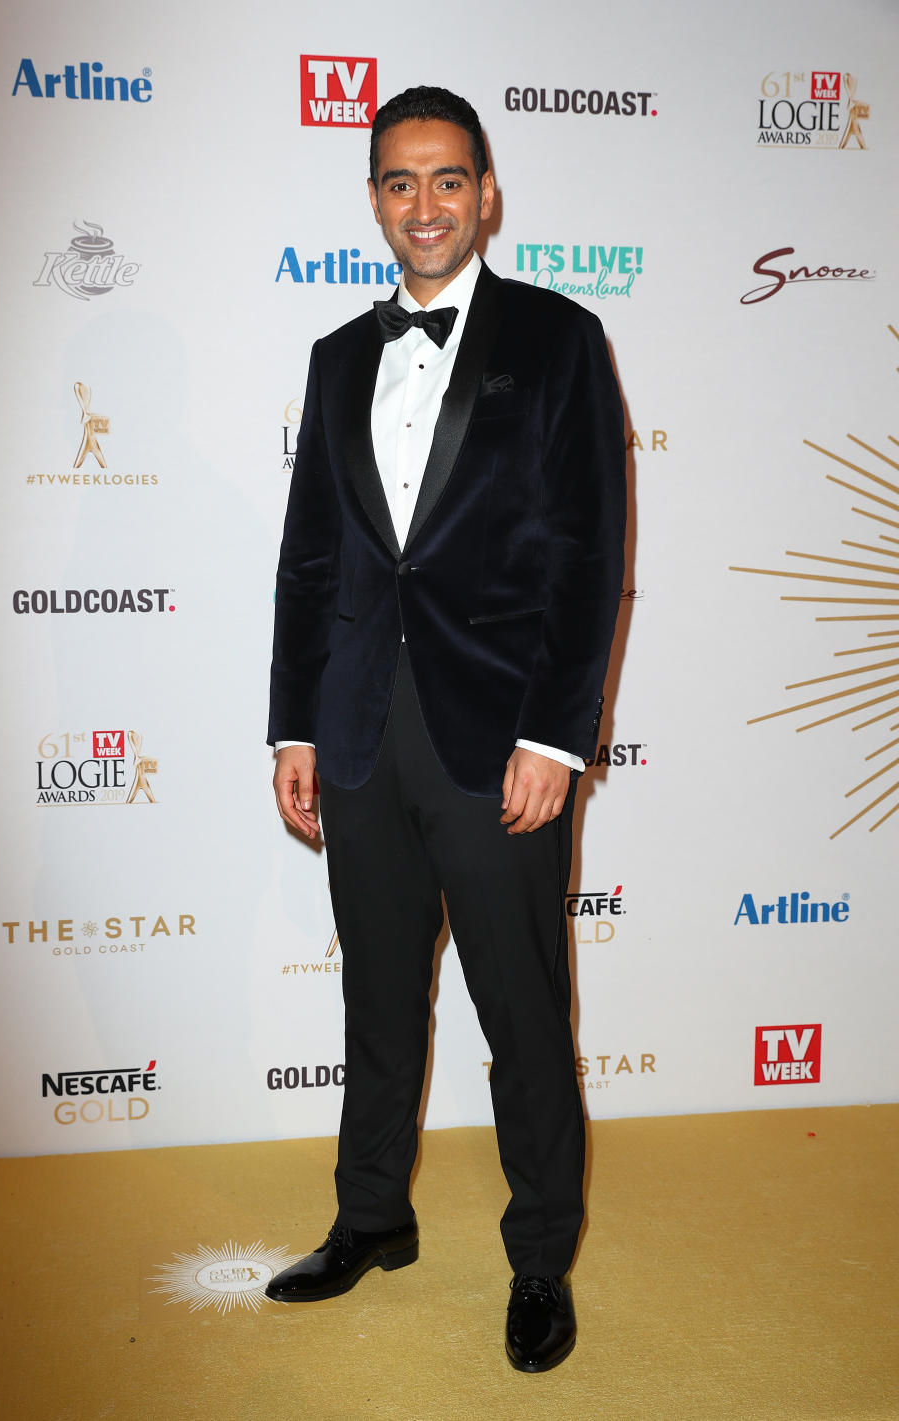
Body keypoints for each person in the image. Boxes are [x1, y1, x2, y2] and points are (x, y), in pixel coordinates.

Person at [266, 85, 625, 1373]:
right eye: (400, 182)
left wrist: (557, 735)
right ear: (374, 199)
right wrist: (291, 727)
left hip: (500, 744)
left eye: (449, 180)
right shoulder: (333, 358)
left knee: (521, 1011)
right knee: (376, 997)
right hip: (360, 733)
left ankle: (541, 1259)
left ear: (487, 194)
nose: (425, 204)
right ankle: (372, 1221)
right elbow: (311, 558)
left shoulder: (561, 339)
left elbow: (592, 558)